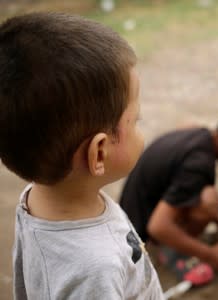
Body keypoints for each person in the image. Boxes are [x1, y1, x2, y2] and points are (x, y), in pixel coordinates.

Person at [0, 12, 164, 299]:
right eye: (136, 120)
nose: (140, 128)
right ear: (99, 153)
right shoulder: (95, 271)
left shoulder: (37, 197)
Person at [120, 105, 218, 272]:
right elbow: (158, 227)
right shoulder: (198, 167)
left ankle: (184, 230)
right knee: (208, 201)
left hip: (146, 202)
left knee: (208, 197)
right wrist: (211, 255)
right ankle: (172, 253)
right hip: (142, 230)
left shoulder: (200, 135)